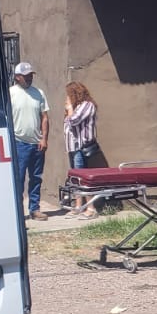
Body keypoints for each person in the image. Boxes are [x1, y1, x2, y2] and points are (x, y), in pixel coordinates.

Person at [10, 62, 50, 221]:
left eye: (31, 75)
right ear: (17, 77)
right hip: (18, 143)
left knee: (36, 177)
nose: (29, 78)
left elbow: (45, 117)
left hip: (37, 143)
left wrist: (44, 138)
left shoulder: (38, 93)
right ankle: (18, 211)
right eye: (26, 76)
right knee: (18, 179)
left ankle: (35, 209)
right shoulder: (10, 93)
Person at [64, 82, 100, 218]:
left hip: (80, 147)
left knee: (82, 178)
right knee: (75, 179)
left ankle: (91, 208)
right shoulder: (77, 106)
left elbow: (73, 120)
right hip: (72, 148)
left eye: (69, 94)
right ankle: (79, 206)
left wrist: (69, 108)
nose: (67, 97)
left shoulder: (87, 105)